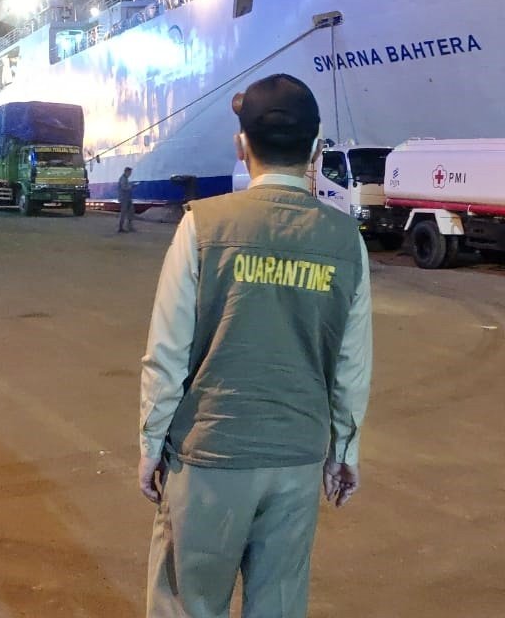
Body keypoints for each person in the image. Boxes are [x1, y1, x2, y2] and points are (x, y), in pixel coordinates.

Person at [137, 73, 373, 618]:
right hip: (296, 459)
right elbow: (350, 365)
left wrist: (151, 442)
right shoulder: (346, 241)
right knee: (279, 604)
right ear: (315, 149)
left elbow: (167, 351)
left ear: (241, 145)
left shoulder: (202, 227)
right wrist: (344, 451)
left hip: (210, 457)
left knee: (190, 602)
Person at [117, 166, 136, 232]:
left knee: (131, 212)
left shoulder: (125, 178)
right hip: (124, 198)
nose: (130, 174)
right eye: (130, 172)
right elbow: (124, 187)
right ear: (126, 172)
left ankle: (129, 227)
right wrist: (131, 186)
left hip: (127, 198)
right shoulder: (123, 178)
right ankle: (120, 228)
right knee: (123, 213)